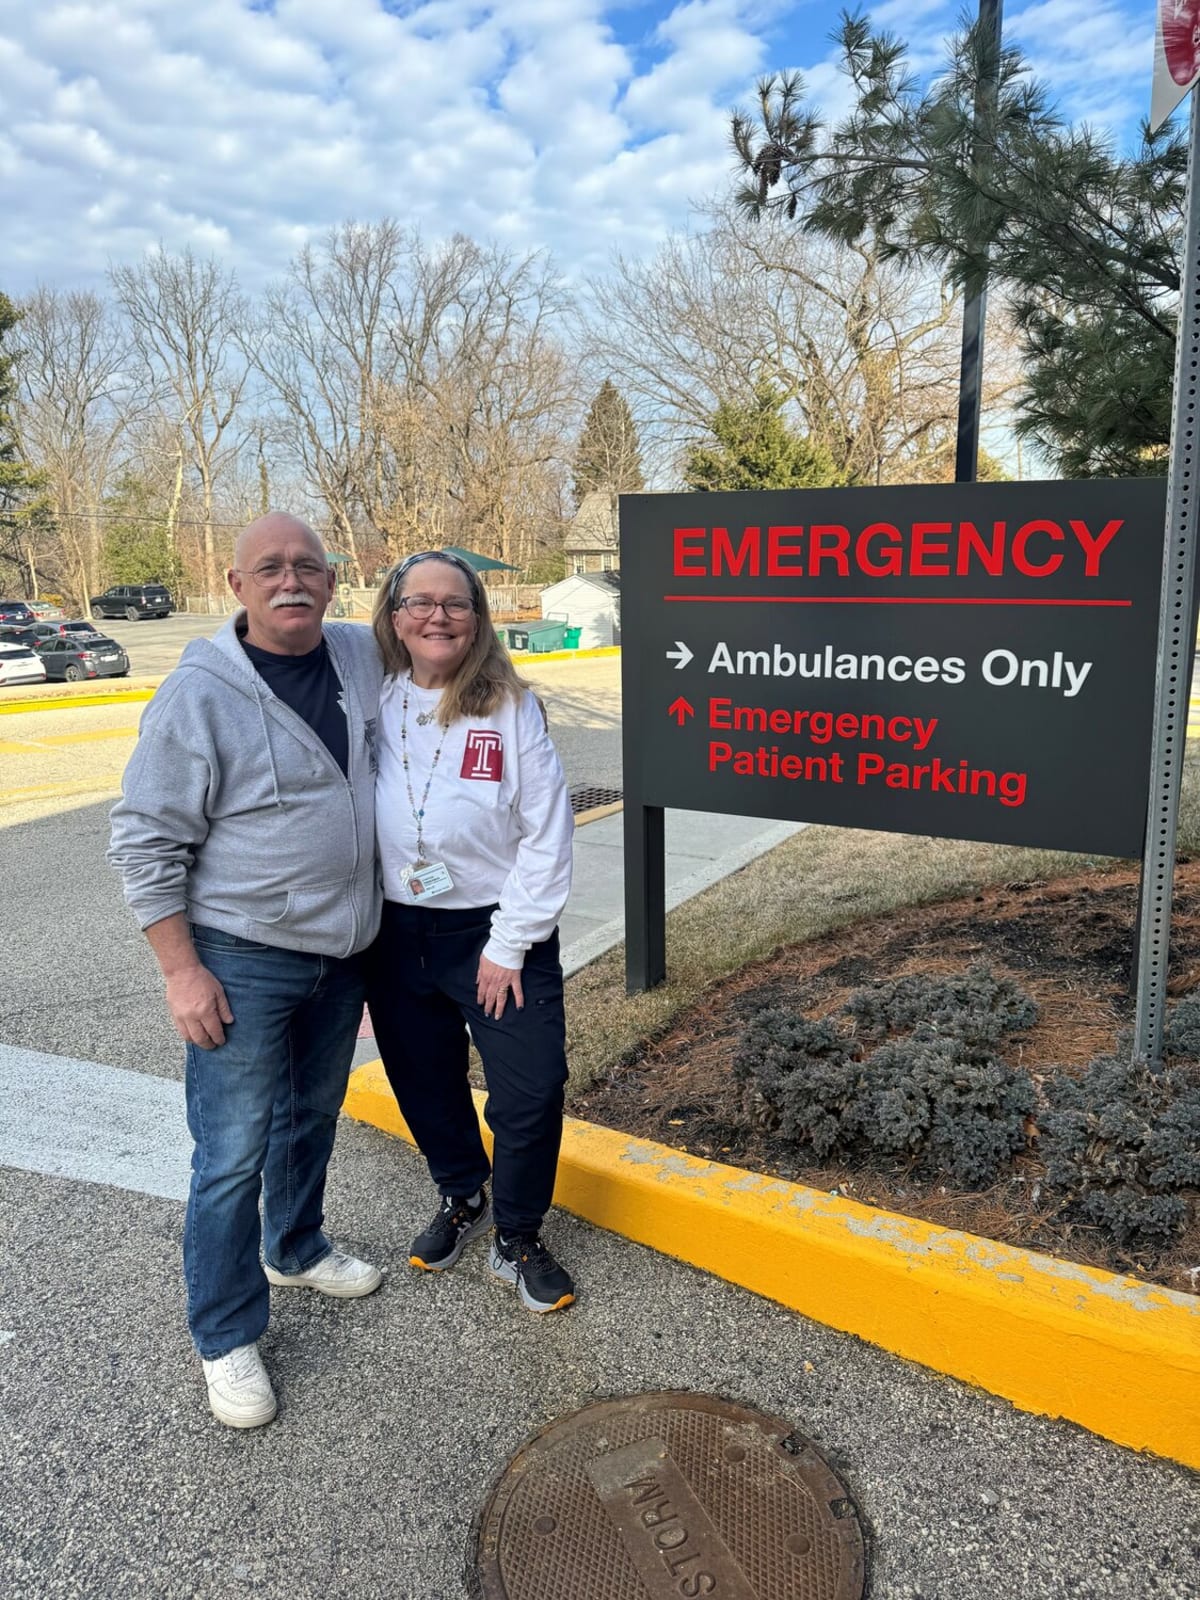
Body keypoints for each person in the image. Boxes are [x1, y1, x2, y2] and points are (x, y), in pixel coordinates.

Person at [108, 513, 385, 1428]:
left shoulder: (355, 656)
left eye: (308, 565)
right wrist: (181, 971)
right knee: (229, 1154)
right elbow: (145, 841)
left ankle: (295, 1246)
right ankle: (225, 1336)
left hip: (340, 960)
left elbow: (445, 644)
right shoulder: (200, 696)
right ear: (236, 586)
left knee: (310, 1116)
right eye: (269, 567)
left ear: (333, 581)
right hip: (241, 957)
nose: (290, 580)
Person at [367, 551, 576, 1313]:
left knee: (530, 1089)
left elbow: (547, 834)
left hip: (492, 932)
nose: (437, 616)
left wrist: (508, 942)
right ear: (394, 617)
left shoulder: (510, 707)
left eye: (455, 604)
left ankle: (518, 1235)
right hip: (395, 933)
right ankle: (462, 1193)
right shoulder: (375, 698)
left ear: (479, 619)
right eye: (419, 603)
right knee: (424, 1082)